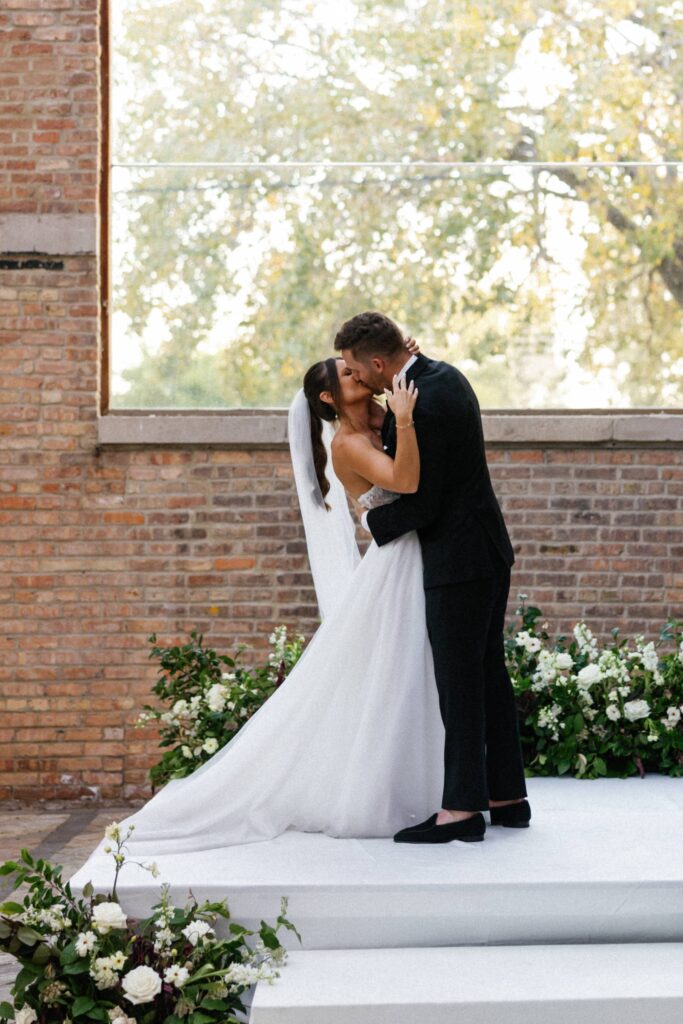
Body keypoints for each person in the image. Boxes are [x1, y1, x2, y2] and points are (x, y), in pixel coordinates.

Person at [335, 311, 530, 843]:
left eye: (357, 369)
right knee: (487, 674)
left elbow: (423, 502)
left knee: (459, 685)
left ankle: (461, 811)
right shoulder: (440, 376)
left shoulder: (422, 401)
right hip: (484, 551)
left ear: (378, 362)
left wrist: (373, 521)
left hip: (458, 561)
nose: (359, 379)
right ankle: (507, 798)